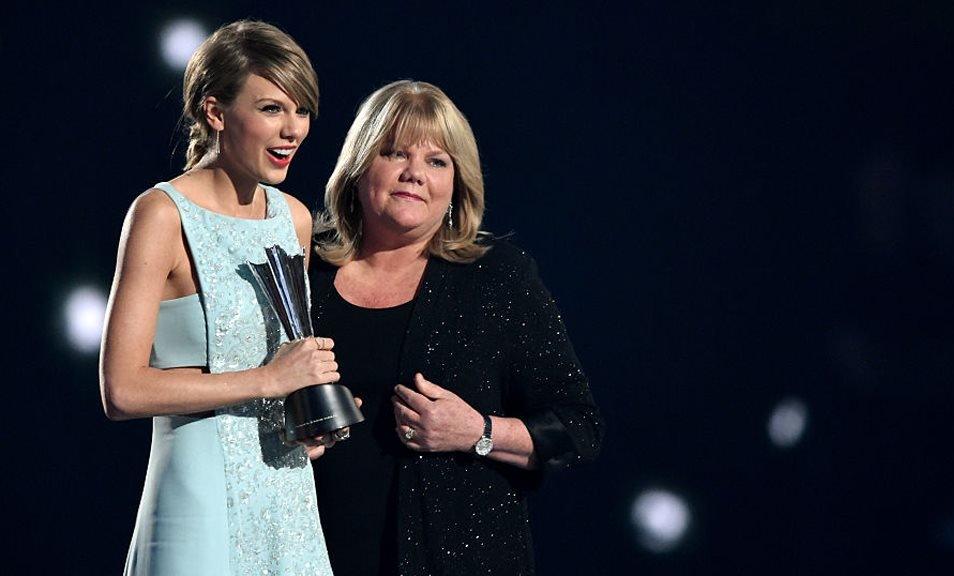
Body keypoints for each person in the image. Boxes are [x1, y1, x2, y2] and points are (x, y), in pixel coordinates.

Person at [309, 80, 603, 576]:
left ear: (456, 186)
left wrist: (478, 432)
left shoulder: (496, 277)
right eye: (395, 153)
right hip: (311, 555)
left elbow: (579, 428)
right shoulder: (303, 271)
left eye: (437, 161)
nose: (414, 174)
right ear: (358, 169)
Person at [99, 20, 341, 575]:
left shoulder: (294, 220)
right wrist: (268, 381)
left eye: (301, 111)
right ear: (215, 113)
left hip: (286, 493)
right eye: (272, 109)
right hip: (197, 493)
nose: (293, 131)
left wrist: (303, 412)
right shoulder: (160, 215)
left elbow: (286, 364)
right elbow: (121, 388)